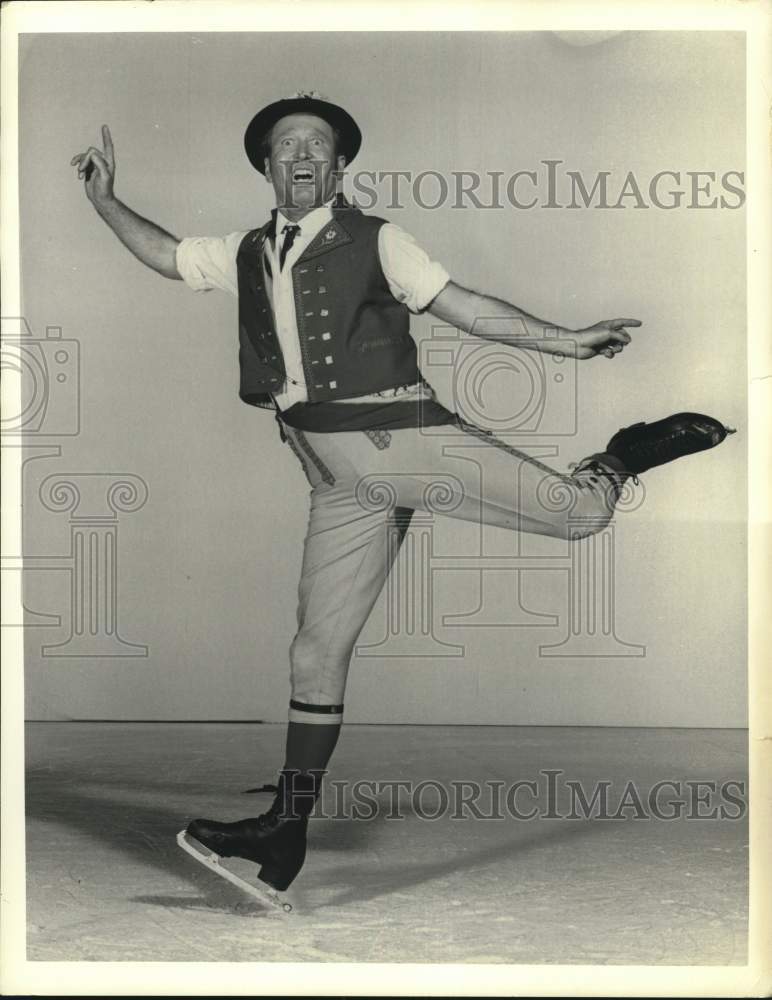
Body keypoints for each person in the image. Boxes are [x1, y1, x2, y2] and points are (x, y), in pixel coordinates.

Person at [71, 92, 734, 907]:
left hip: (404, 440)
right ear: (268, 167)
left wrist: (567, 341)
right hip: (336, 480)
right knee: (314, 652)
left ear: (340, 164)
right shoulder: (245, 251)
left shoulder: (379, 239)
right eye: (286, 145)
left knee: (582, 516)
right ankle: (284, 834)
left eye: (317, 144)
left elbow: (467, 307)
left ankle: (621, 454)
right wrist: (105, 201)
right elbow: (168, 254)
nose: (302, 154)